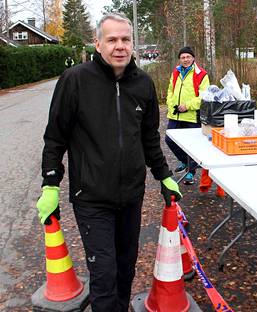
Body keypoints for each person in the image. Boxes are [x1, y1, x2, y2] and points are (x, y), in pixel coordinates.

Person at [36, 13, 182, 312]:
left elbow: (149, 137)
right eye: (112, 39)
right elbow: (55, 138)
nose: (120, 46)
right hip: (91, 198)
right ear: (98, 43)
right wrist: (50, 184)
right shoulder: (75, 80)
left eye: (125, 39)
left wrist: (164, 175)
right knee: (104, 275)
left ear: (133, 43)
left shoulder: (143, 83)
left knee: (126, 269)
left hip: (131, 195)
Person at [165, 46, 209, 185]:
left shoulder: (201, 74)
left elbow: (204, 97)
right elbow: (170, 90)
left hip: (191, 116)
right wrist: (170, 102)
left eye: (188, 57)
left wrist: (187, 105)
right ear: (180, 59)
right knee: (169, 140)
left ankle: (191, 172)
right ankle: (185, 162)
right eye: (183, 57)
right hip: (175, 114)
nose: (185, 59)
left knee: (192, 146)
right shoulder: (176, 72)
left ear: (193, 58)